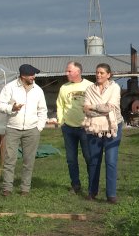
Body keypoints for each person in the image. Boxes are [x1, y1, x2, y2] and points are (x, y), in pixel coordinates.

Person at [0, 64, 48, 196]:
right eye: (31, 75)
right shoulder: (10, 87)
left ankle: (25, 188)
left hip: (32, 129)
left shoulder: (38, 90)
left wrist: (39, 127)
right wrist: (11, 108)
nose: (33, 77)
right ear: (23, 75)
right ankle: (7, 188)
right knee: (9, 159)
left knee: (28, 161)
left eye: (34, 74)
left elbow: (42, 110)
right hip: (13, 128)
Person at [82, 63, 124, 204]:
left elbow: (111, 107)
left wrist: (93, 106)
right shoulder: (89, 89)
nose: (98, 75)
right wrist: (99, 108)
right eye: (97, 72)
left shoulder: (114, 88)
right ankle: (92, 192)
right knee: (94, 160)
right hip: (94, 128)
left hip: (112, 127)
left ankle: (111, 195)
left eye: (101, 73)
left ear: (108, 75)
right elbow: (85, 110)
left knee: (111, 161)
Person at [56, 61, 93, 194]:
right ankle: (75, 185)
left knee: (89, 157)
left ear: (78, 72)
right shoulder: (64, 88)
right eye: (67, 71)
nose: (67, 73)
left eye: (69, 71)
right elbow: (60, 105)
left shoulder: (89, 86)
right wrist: (61, 122)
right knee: (71, 159)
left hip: (86, 128)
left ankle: (92, 185)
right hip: (68, 128)